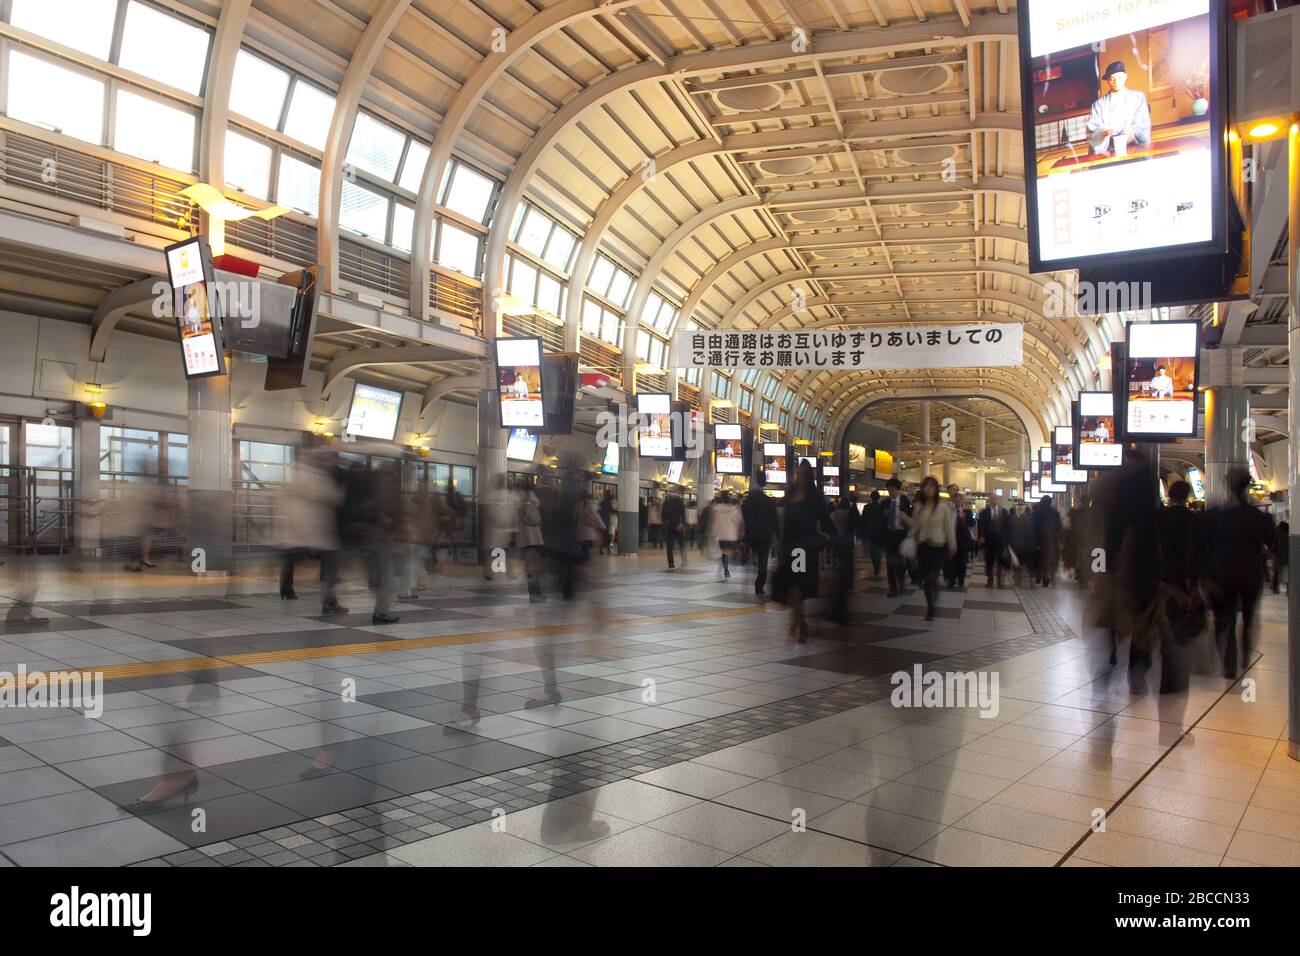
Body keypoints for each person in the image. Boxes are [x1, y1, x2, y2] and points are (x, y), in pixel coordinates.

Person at [1198, 468, 1275, 678]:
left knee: (1225, 620)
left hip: (1221, 575)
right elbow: (1272, 544)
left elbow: (1205, 548)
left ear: (1227, 485)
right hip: (1250, 575)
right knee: (1249, 620)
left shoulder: (1215, 516)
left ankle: (1228, 664)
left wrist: (1204, 575)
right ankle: (1245, 659)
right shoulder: (1260, 518)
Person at [277, 448, 348, 615]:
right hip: (316, 531)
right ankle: (329, 601)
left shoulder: (293, 477)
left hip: (294, 531)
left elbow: (282, 500)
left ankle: (287, 590)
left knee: (290, 561)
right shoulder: (317, 476)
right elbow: (335, 497)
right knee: (330, 565)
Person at [776, 461, 833, 642]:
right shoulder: (791, 493)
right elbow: (785, 521)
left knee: (797, 587)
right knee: (794, 587)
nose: (798, 476)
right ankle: (801, 622)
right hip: (791, 547)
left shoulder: (814, 497)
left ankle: (796, 623)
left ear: (807, 476)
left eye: (801, 473)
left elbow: (824, 519)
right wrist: (782, 544)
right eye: (797, 473)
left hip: (803, 548)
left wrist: (836, 538)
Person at [905, 477, 957, 621]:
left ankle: (933, 600)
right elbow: (915, 526)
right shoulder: (919, 507)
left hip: (938, 547)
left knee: (931, 577)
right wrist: (904, 519)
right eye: (925, 486)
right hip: (923, 548)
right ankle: (930, 606)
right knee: (927, 580)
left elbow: (949, 528)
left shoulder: (943, 507)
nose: (927, 489)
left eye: (931, 486)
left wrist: (953, 545)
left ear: (935, 489)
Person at [1086, 60, 1151, 156]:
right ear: (1107, 81)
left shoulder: (1138, 97)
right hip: (1109, 151)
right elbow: (1092, 130)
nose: (1116, 82)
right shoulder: (1098, 105)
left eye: (1119, 77)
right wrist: (1103, 132)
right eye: (1112, 79)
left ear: (1125, 76)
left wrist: (1131, 133)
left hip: (1134, 147)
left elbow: (1143, 124)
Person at [742, 477, 778, 597]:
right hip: (765, 535)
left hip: (752, 534)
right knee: (763, 562)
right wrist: (778, 535)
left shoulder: (748, 502)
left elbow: (745, 518)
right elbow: (775, 519)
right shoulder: (769, 501)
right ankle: (759, 586)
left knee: (755, 554)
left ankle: (752, 559)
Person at [881, 478, 913, 597]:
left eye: (892, 490)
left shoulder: (905, 502)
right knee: (889, 564)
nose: (890, 493)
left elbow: (910, 518)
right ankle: (892, 589)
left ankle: (901, 583)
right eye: (889, 490)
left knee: (900, 563)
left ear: (898, 490)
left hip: (901, 534)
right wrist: (885, 516)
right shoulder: (885, 503)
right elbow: (881, 521)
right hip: (889, 535)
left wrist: (904, 517)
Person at [977, 497, 1010, 588]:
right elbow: (981, 525)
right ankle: (990, 579)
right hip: (989, 540)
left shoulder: (1004, 512)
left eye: (995, 499)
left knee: (1001, 561)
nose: (994, 501)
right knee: (989, 560)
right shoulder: (985, 512)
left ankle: (1000, 581)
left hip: (1001, 540)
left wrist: (1007, 540)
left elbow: (1007, 527)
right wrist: (982, 536)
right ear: (990, 501)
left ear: (998, 501)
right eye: (992, 499)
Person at [1033, 495, 1063, 587]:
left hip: (1040, 540)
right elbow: (1059, 527)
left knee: (1042, 560)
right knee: (1053, 560)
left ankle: (1043, 579)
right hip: (1053, 540)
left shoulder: (1037, 512)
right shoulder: (1055, 512)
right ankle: (1052, 577)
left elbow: (1034, 528)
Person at [859, 490, 885, 576]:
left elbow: (863, 520)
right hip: (880, 533)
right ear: (878, 498)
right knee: (878, 550)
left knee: (871, 550)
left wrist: (862, 532)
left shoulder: (867, 507)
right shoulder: (882, 507)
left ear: (871, 497)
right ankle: (877, 564)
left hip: (869, 532)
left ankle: (875, 564)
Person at [662, 489, 686, 569]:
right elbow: (683, 513)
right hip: (678, 525)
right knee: (681, 543)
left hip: (669, 526)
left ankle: (671, 563)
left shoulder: (666, 502)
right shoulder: (679, 501)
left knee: (669, 545)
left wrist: (665, 522)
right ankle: (683, 560)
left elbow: (663, 514)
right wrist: (682, 523)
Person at [1273, 519, 1289, 594]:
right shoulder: (1286, 531)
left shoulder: (1277, 530)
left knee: (1277, 572)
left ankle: (1276, 588)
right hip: (1284, 555)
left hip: (1278, 554)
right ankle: (1285, 589)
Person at [597, 489, 614, 555]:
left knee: (603, 535)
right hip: (606, 521)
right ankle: (607, 549)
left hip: (601, 520)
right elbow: (612, 510)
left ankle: (603, 549)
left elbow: (598, 510)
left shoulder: (602, 502)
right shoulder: (608, 503)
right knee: (606, 535)